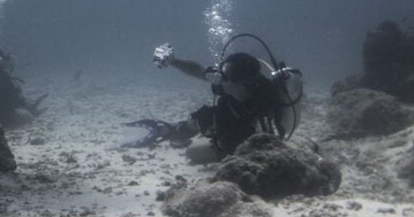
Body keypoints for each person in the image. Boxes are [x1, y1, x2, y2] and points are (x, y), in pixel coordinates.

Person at [124, 34, 303, 157]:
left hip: (249, 134)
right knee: (204, 117)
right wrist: (173, 61)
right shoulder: (227, 82)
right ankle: (174, 131)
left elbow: (273, 139)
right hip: (229, 119)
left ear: (240, 85)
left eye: (224, 78)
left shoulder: (265, 98)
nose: (218, 80)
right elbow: (199, 71)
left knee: (198, 153)